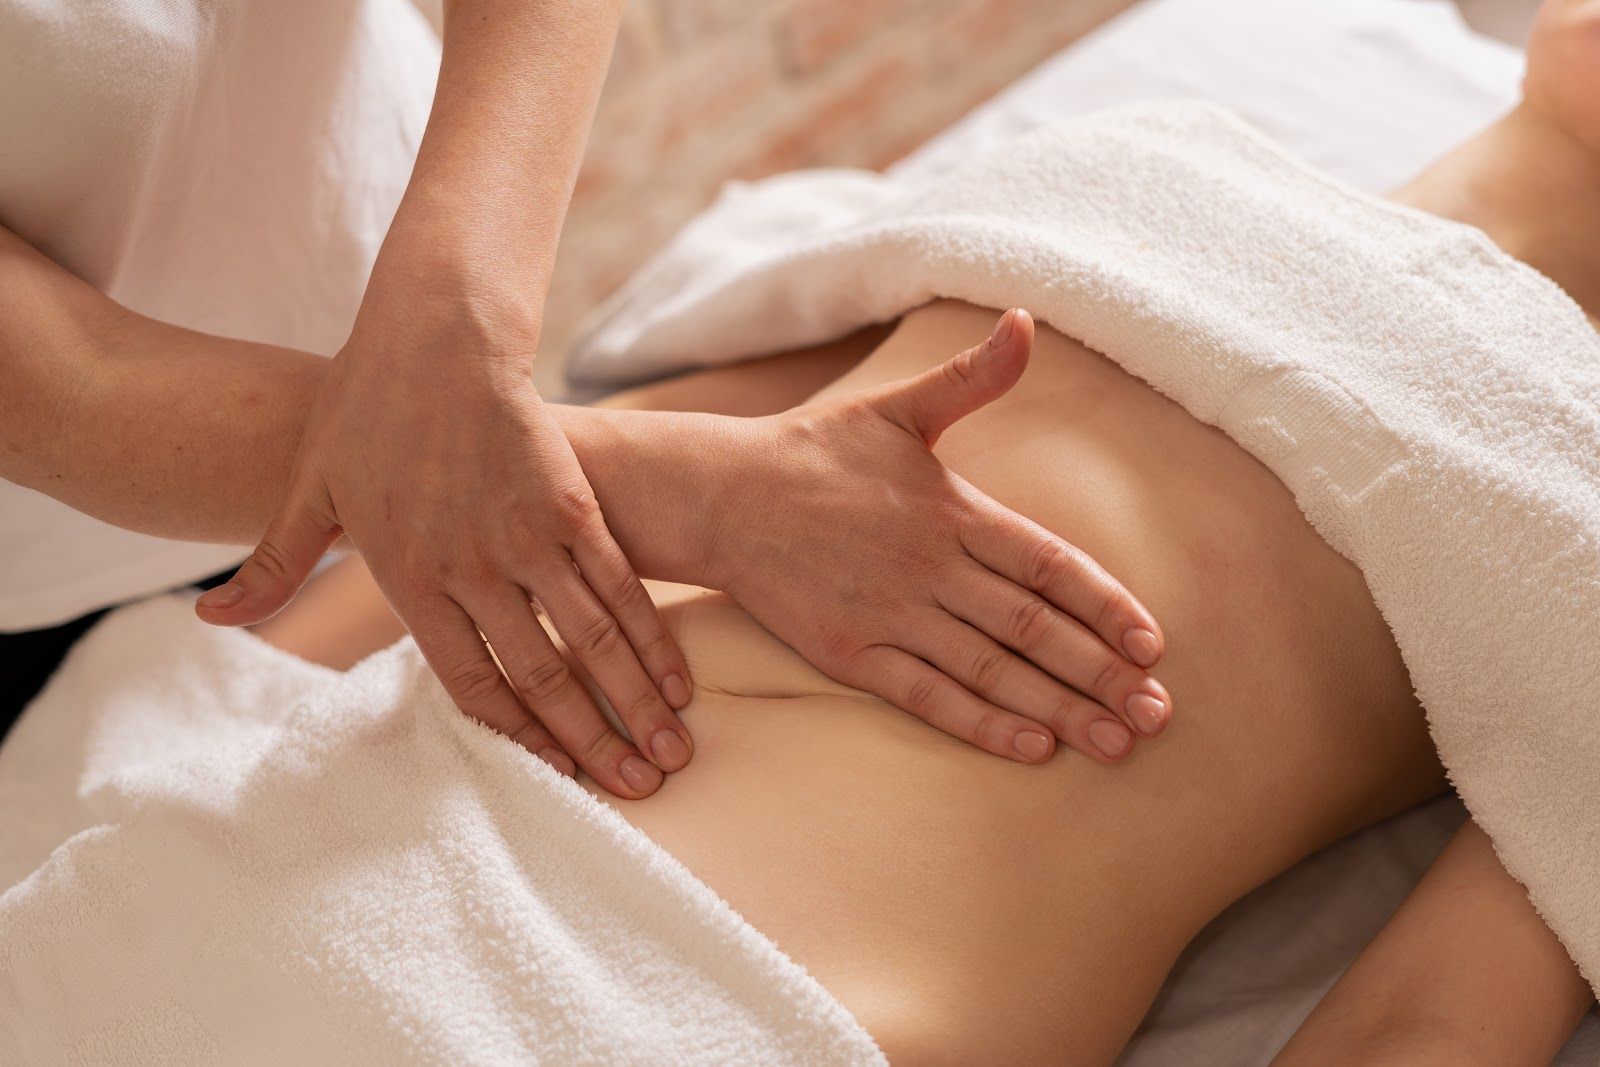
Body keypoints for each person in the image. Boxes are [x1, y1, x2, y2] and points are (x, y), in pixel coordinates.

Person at [5, 3, 1598, 1057]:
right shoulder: (1165, 169)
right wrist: (232, 701)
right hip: (303, 877)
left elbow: (1439, 1015)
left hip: (722, 1008)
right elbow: (726, 415)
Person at [0, 0, 1168, 794]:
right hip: (53, 546)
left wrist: (455, 303)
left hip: (389, 327)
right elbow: (68, 387)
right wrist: (700, 495)